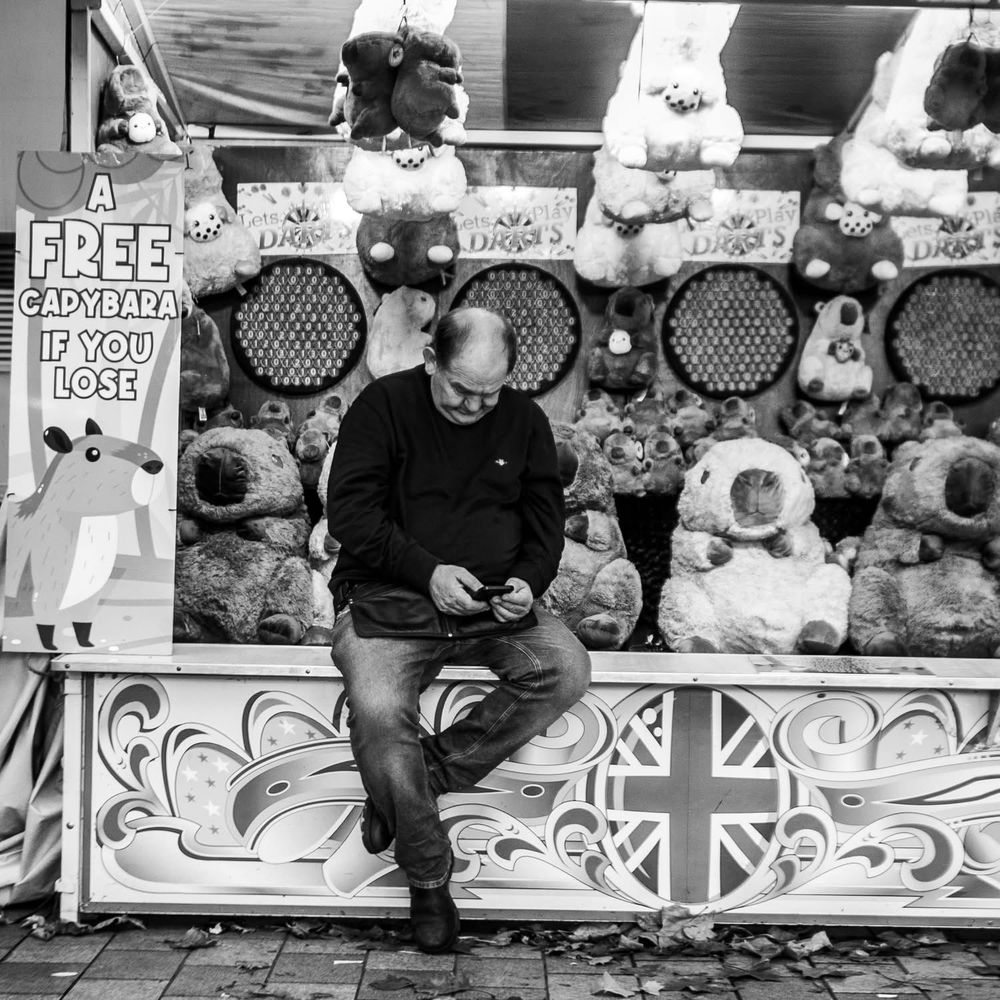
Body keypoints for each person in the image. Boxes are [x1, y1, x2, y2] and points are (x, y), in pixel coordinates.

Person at [326, 306, 591, 953]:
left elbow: (544, 525)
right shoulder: (383, 407)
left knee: (565, 668)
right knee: (382, 709)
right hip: (389, 598)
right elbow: (349, 514)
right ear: (430, 361)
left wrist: (530, 578)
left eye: (490, 393)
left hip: (493, 604)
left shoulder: (525, 420)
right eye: (460, 389)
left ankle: (411, 785)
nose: (475, 406)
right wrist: (426, 570)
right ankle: (427, 876)